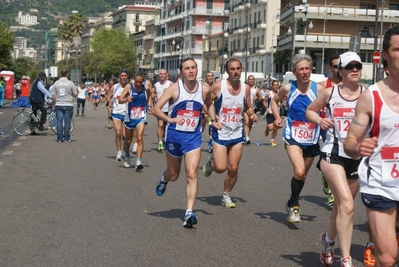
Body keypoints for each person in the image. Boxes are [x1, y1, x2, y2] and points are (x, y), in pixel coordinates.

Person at [344, 26, 399, 267]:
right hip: (381, 183)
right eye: (398, 49)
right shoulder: (372, 96)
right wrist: (358, 147)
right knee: (387, 259)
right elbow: (349, 143)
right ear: (385, 55)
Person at [306, 52, 365, 267]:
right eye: (349, 66)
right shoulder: (330, 93)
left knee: (341, 207)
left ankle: (328, 241)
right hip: (332, 154)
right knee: (348, 204)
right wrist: (320, 120)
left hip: (358, 158)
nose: (355, 70)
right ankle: (346, 260)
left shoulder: (367, 94)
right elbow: (309, 111)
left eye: (357, 65)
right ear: (339, 71)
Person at [152, 58, 214, 228]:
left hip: (193, 138)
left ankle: (189, 212)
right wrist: (170, 119)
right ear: (181, 72)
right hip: (174, 137)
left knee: (192, 173)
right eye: (187, 68)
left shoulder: (204, 89)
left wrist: (214, 120)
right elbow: (155, 109)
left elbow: (209, 105)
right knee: (174, 174)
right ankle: (164, 179)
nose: (191, 71)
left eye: (193, 67)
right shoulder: (174, 89)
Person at [271, 53, 324, 223]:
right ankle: (295, 206)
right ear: (294, 72)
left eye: (307, 68)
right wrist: (278, 117)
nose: (305, 72)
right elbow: (274, 101)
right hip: (293, 135)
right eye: (301, 69)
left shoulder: (320, 89)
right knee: (299, 171)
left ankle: (291, 201)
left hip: (312, 136)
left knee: (302, 176)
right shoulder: (288, 88)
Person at [202, 58, 258, 208]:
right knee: (221, 167)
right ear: (227, 71)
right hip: (221, 132)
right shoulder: (219, 86)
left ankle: (226, 195)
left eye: (238, 69)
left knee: (233, 168)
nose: (236, 72)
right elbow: (207, 103)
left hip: (237, 133)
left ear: (241, 70)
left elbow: (248, 105)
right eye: (232, 69)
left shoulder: (246, 88)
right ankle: (211, 163)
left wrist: (252, 114)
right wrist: (214, 118)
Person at [319, 55, 341, 207]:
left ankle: (327, 176)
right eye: (335, 66)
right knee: (331, 156)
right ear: (330, 68)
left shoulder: (350, 84)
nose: (338, 69)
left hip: (342, 126)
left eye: (340, 66)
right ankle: (333, 192)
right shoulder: (323, 85)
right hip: (324, 125)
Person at [119, 73, 152, 170]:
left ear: (143, 81)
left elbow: (150, 96)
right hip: (130, 117)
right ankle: (127, 155)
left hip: (141, 116)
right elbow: (120, 100)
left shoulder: (146, 88)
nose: (138, 84)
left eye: (140, 82)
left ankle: (138, 161)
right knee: (128, 140)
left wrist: (149, 106)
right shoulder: (129, 87)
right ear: (134, 80)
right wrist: (126, 99)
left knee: (140, 138)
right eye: (136, 81)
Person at [107, 70, 129, 161]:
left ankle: (125, 149)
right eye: (122, 75)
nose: (123, 77)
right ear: (119, 77)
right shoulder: (115, 87)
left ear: (127, 77)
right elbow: (108, 96)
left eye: (125, 75)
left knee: (125, 136)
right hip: (116, 112)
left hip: (127, 113)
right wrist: (109, 102)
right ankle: (119, 152)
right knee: (118, 132)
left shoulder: (130, 87)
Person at [51, 69, 77, 143]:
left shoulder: (56, 83)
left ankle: (59, 138)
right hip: (68, 104)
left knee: (59, 121)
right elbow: (75, 93)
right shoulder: (70, 83)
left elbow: (53, 95)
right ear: (67, 74)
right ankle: (66, 138)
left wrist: (53, 103)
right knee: (67, 122)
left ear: (60, 74)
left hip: (59, 103)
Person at [153, 69, 172, 151]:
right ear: (159, 75)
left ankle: (164, 139)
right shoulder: (156, 85)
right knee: (160, 124)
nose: (162, 75)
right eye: (161, 74)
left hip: (169, 108)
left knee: (167, 126)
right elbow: (153, 94)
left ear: (166, 75)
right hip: (160, 108)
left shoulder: (170, 84)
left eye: (164, 74)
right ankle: (160, 141)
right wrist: (154, 98)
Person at [243, 75, 262, 144]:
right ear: (247, 80)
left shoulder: (256, 89)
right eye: (250, 79)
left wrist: (257, 98)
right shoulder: (244, 88)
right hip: (245, 108)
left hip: (252, 108)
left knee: (250, 124)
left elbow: (261, 98)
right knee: (247, 122)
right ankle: (247, 138)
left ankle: (246, 135)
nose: (251, 80)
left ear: (254, 80)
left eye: (252, 79)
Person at [264, 80, 280, 147]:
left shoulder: (280, 93)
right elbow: (264, 101)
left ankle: (272, 140)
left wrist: (285, 104)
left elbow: (282, 101)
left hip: (277, 113)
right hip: (270, 112)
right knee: (270, 128)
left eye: (277, 85)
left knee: (276, 127)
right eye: (275, 85)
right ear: (272, 86)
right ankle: (267, 129)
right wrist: (266, 108)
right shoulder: (269, 93)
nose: (276, 86)